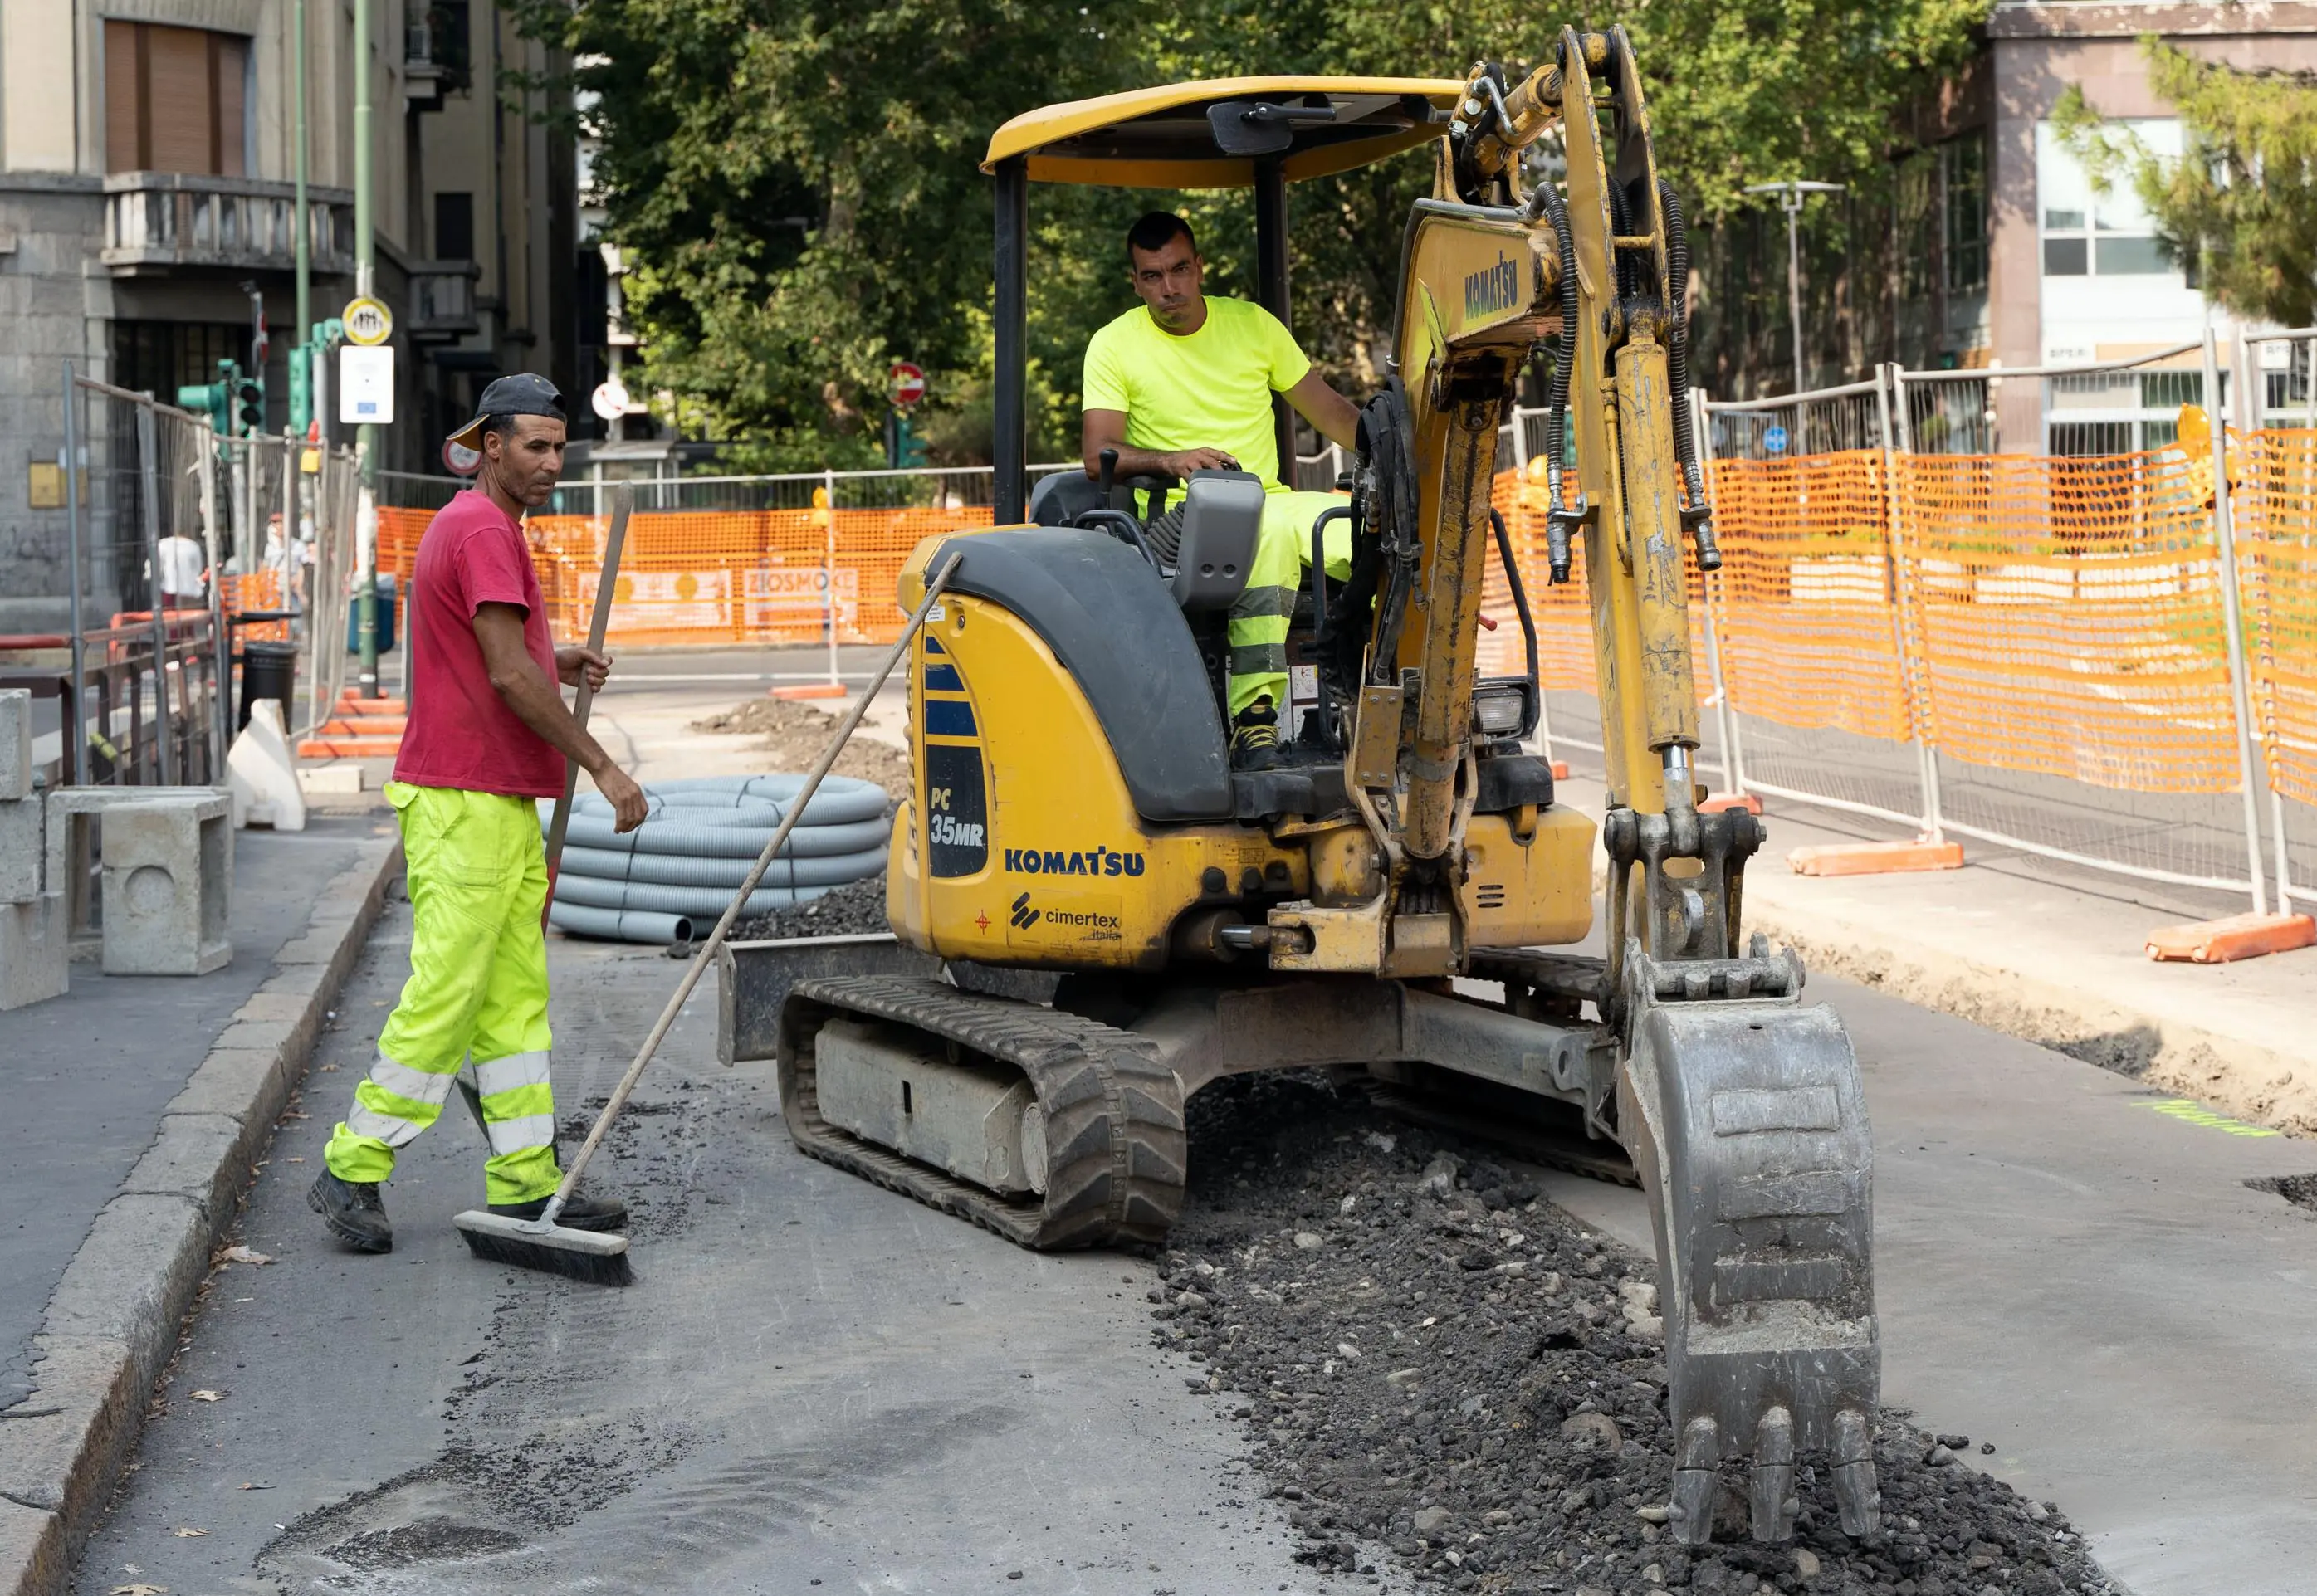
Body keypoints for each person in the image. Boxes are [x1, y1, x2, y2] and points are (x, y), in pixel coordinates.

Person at [310, 373, 649, 1254]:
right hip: (465, 800)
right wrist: (606, 768)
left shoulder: (478, 528)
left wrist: (553, 652)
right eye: (534, 446)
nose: (550, 463)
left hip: (489, 798)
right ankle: (352, 1163)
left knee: (511, 1004)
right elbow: (503, 674)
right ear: (491, 446)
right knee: (449, 992)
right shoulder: (486, 532)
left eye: (558, 448)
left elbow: (501, 654)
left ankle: (525, 1177)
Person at [1082, 211, 1362, 768]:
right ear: (1134, 283)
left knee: (1374, 531)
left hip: (1273, 499)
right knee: (1263, 532)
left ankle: (1379, 696)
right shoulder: (1113, 346)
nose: (1170, 288)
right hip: (1182, 520)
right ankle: (1254, 720)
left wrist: (1399, 447)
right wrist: (1170, 460)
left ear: (1199, 266)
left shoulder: (1253, 326)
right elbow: (1099, 454)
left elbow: (1329, 410)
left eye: (1179, 269)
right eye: (1153, 276)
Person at [153, 527, 206, 609]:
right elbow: (198, 569)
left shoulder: (162, 545)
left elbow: (156, 568)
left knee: (169, 616)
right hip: (190, 590)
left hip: (169, 588)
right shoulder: (194, 546)